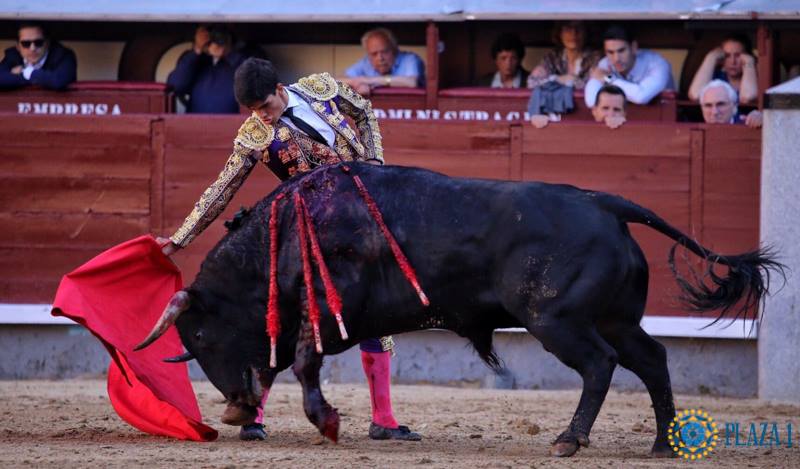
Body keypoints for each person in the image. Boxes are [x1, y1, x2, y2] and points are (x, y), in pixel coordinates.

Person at [158, 58, 421, 442]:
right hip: (314, 229)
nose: (262, 116)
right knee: (284, 318)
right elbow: (221, 189)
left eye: (265, 106)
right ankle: (253, 415)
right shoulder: (253, 135)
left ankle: (384, 419)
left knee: (376, 312)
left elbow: (364, 112)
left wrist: (375, 161)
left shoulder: (321, 88)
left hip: (363, 220)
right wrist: (180, 238)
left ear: (280, 90)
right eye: (253, 110)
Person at [528, 21, 600, 128]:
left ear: (586, 32)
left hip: (588, 118)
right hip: (555, 119)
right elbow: (532, 83)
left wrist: (572, 81)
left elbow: (598, 84)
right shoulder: (553, 57)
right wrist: (557, 79)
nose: (574, 34)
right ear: (560, 33)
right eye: (568, 29)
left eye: (579, 28)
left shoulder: (595, 58)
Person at [584, 25, 674, 108]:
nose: (616, 58)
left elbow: (641, 97)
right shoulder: (606, 63)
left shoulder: (657, 64)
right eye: (610, 52)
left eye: (621, 51)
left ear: (634, 47)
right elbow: (591, 101)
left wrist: (610, 79)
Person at [167, 25, 246, 113]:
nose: (216, 40)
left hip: (231, 120)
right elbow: (175, 86)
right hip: (195, 120)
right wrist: (197, 50)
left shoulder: (241, 59)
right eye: (212, 35)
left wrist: (229, 54)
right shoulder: (194, 59)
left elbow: (251, 80)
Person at [341, 28, 425, 95]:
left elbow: (411, 82)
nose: (380, 58)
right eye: (374, 54)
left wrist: (369, 81)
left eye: (384, 52)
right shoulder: (366, 62)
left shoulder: (410, 59)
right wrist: (358, 84)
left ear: (394, 49)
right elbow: (339, 80)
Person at [0, 22, 77, 90]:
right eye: (26, 44)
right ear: (18, 47)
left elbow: (58, 81)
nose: (32, 48)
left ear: (47, 43)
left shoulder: (62, 55)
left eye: (38, 42)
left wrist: (27, 72)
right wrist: (39, 78)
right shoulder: (13, 56)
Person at [688, 35, 758, 105]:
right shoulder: (715, 78)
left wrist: (749, 62)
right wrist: (711, 58)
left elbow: (748, 97)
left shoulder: (755, 78)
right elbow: (696, 95)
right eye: (727, 55)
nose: (733, 61)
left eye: (738, 55)